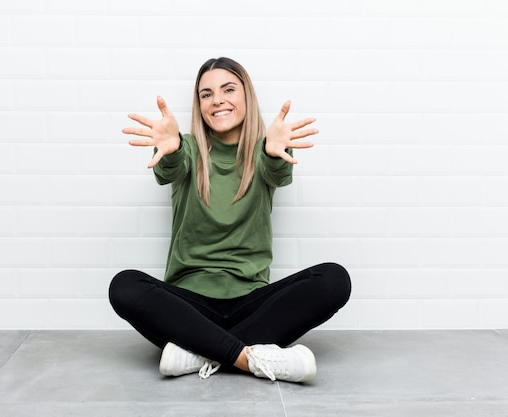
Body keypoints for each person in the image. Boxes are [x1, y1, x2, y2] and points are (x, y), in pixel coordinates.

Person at [109, 57, 351, 383]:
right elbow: (172, 167)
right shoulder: (187, 149)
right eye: (206, 94)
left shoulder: (267, 151)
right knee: (124, 286)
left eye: (228, 89)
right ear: (199, 105)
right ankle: (249, 357)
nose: (217, 100)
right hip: (189, 305)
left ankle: (198, 351)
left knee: (334, 279)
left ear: (246, 97)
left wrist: (271, 151)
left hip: (252, 302)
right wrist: (171, 149)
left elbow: (277, 171)